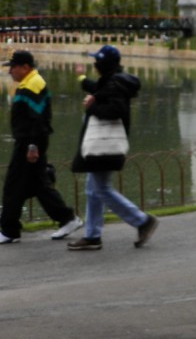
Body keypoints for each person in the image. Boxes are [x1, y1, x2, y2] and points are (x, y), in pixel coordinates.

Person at [66, 45, 158, 251]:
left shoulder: (114, 83)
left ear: (103, 64)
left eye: (96, 62)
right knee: (92, 189)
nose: (94, 65)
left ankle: (142, 221)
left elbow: (116, 109)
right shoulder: (112, 81)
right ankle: (92, 236)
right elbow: (100, 92)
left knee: (101, 189)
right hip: (103, 143)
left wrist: (93, 106)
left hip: (105, 143)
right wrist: (82, 80)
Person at [1, 50, 83, 244]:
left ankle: (9, 230)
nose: (10, 70)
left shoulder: (33, 84)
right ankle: (66, 218)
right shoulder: (28, 83)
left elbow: (37, 120)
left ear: (25, 67)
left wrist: (32, 146)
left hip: (29, 143)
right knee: (36, 185)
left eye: (13, 67)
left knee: (14, 184)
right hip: (29, 142)